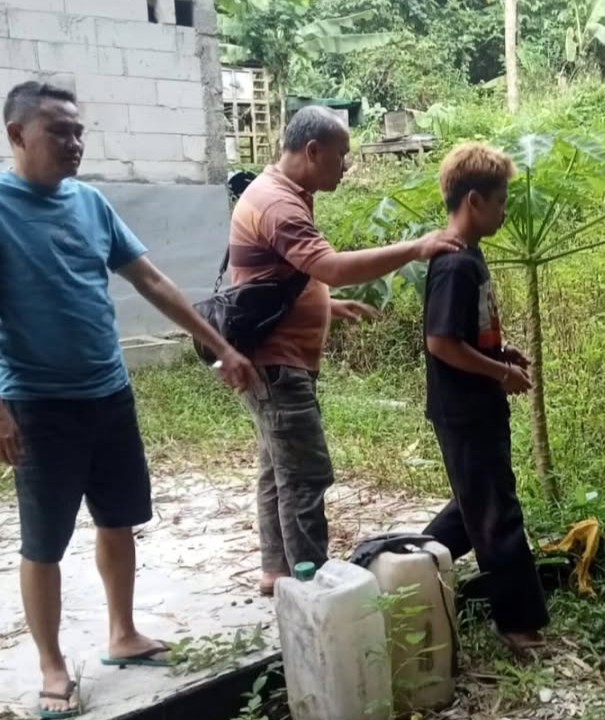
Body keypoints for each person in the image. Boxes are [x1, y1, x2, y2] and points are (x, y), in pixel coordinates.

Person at [0, 81, 259, 719]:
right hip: (38, 401)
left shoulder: (89, 203)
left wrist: (221, 346)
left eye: (78, 130)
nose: (75, 143)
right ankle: (53, 665)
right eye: (59, 131)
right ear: (17, 136)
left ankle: (122, 632)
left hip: (109, 392)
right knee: (44, 543)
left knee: (119, 518)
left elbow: (149, 278)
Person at [229, 106, 463, 596]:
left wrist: (324, 305)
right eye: (341, 155)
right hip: (278, 366)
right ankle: (314, 589)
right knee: (305, 476)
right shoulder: (278, 203)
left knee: (277, 471)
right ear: (313, 151)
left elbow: (275, 279)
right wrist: (415, 248)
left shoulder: (285, 193)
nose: (346, 165)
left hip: (272, 358)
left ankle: (278, 573)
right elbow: (330, 265)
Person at [421, 142, 550, 654]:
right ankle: (517, 624)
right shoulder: (455, 264)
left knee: (473, 509)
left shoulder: (470, 256)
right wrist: (498, 371)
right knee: (496, 512)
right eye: (500, 202)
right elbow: (441, 342)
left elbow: (464, 334)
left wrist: (500, 349)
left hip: (474, 405)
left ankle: (404, 573)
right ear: (474, 201)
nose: (504, 211)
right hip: (465, 409)